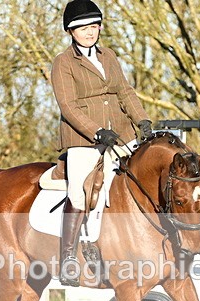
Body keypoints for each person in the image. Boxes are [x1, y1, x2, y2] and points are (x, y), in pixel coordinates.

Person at [51, 0, 153, 286]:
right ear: (71, 31)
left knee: (141, 179)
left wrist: (142, 120)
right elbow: (68, 106)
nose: (89, 32)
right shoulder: (63, 62)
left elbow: (125, 92)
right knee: (81, 191)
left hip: (121, 133)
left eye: (94, 26)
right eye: (83, 27)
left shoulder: (108, 56)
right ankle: (69, 258)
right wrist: (97, 132)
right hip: (84, 139)